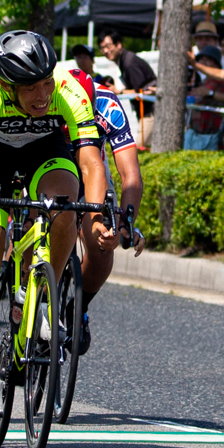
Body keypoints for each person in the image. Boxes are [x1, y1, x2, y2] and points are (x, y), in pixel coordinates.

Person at [0, 30, 114, 416]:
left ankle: (44, 295)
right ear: (8, 85)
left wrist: (93, 218)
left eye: (46, 83)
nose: (43, 95)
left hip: (45, 152)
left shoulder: (67, 89)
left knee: (64, 205)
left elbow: (92, 162)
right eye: (30, 88)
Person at [65, 66, 146, 353]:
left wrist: (126, 219)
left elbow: (131, 175)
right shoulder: (45, 99)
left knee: (102, 244)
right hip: (49, 170)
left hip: (93, 175)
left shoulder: (107, 104)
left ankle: (78, 307)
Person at [184, 46, 224, 150]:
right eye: (202, 59)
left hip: (213, 132)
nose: (204, 62)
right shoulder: (205, 81)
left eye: (208, 59)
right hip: (200, 131)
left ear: (216, 64)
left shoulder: (219, 81)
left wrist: (210, 93)